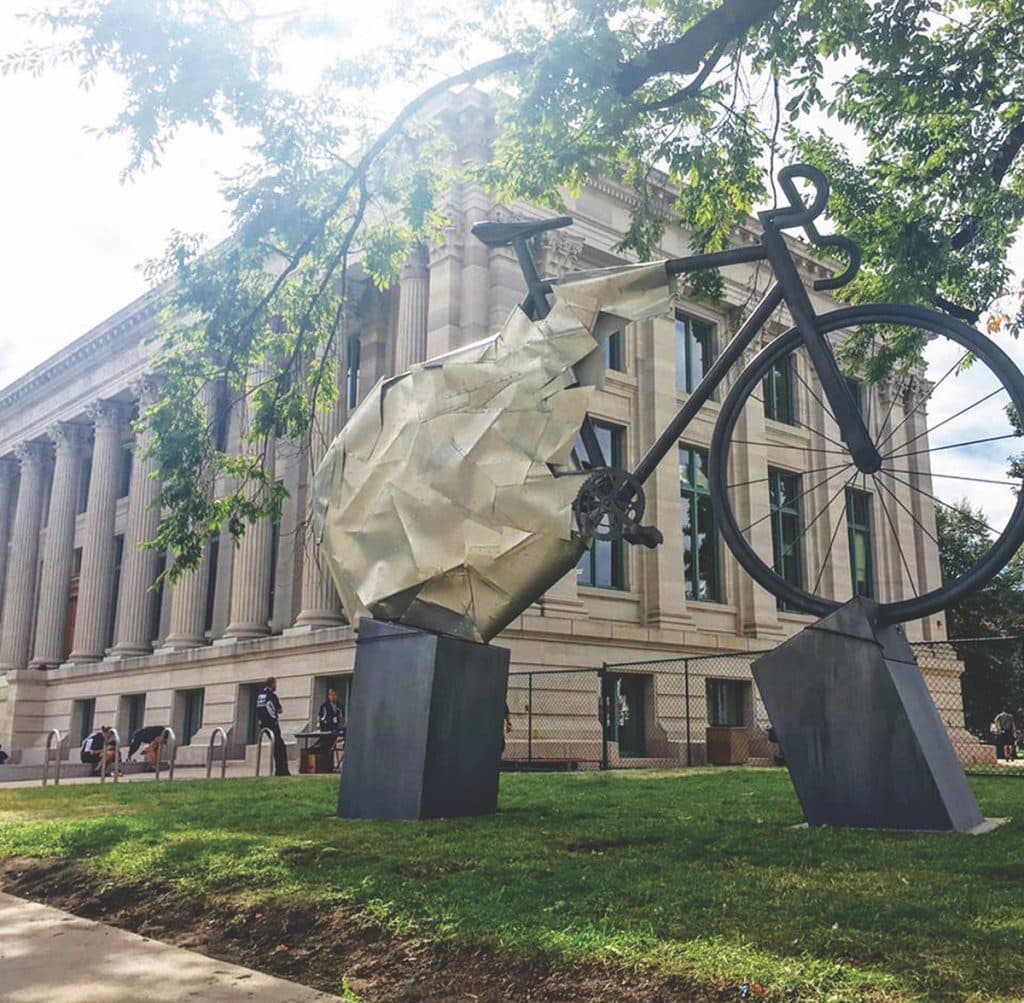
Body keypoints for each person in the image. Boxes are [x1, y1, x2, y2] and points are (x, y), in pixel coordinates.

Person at [256, 677, 291, 776]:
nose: (276, 686)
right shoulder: (272, 696)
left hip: (263, 724)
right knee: (280, 747)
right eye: (275, 684)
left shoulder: (260, 696)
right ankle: (281, 770)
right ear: (272, 684)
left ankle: (279, 770)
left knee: (276, 745)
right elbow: (280, 710)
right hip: (272, 724)